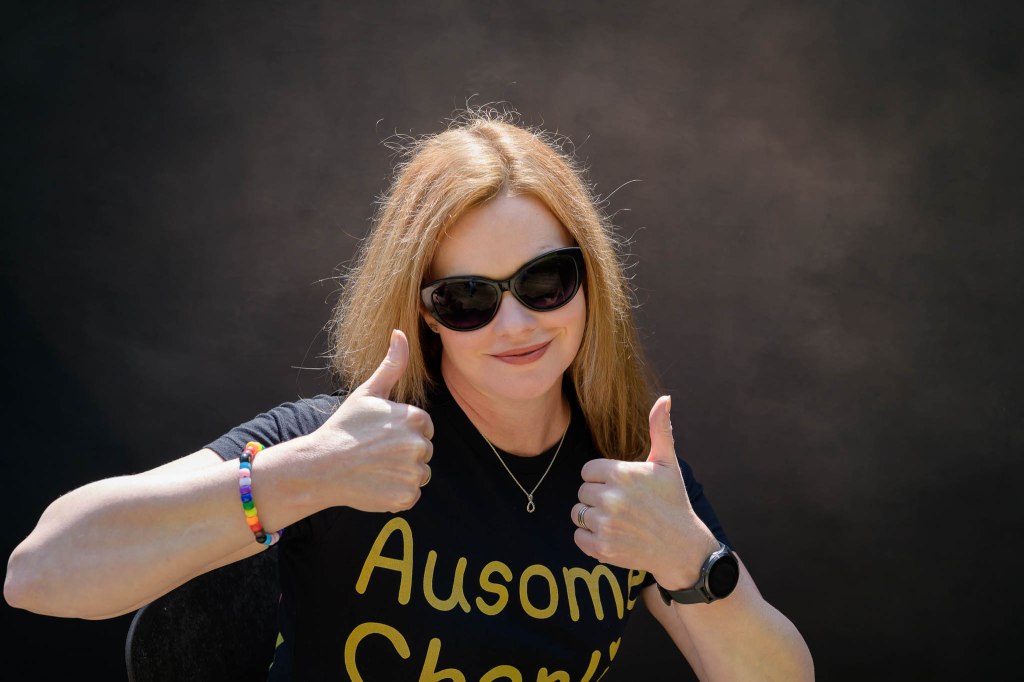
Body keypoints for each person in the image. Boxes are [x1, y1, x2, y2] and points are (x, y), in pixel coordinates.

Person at [5, 111, 813, 680]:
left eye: (545, 281)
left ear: (590, 281)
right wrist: (299, 478)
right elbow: (40, 573)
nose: (515, 324)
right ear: (424, 314)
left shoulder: (634, 476)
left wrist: (690, 561)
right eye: (468, 298)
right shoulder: (346, 444)